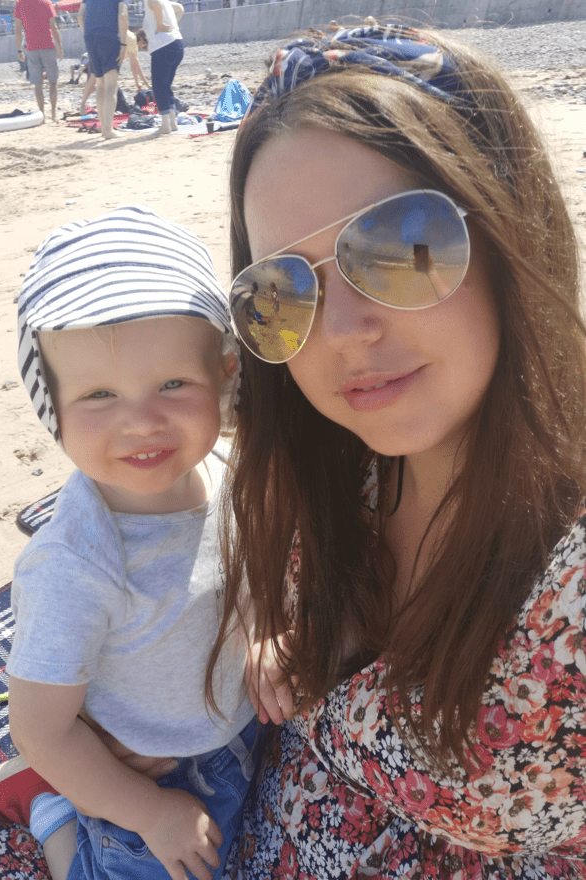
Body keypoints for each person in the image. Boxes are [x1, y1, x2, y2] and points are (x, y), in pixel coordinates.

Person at [208, 20, 586, 879]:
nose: (340, 334)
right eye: (281, 290)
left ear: (506, 228)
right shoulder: (342, 471)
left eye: (400, 246)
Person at [0, 206, 256, 880]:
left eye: (173, 384)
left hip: (232, 735)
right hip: (135, 780)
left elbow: (246, 573)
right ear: (52, 408)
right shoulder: (75, 566)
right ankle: (54, 816)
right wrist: (146, 812)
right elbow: (41, 727)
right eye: (99, 394)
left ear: (223, 373)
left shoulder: (227, 471)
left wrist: (266, 635)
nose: (140, 421)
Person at [77, 0, 128, 139]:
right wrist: (124, 44)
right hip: (109, 37)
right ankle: (108, 130)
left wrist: (88, 34)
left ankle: (104, 127)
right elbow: (123, 14)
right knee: (111, 85)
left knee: (100, 85)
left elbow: (80, 16)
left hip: (90, 37)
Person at [14, 0, 64, 122]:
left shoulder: (20, 3)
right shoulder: (47, 3)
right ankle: (53, 115)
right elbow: (54, 27)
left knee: (38, 84)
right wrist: (60, 47)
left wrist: (19, 50)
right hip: (48, 46)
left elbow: (17, 30)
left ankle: (42, 116)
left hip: (31, 48)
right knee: (53, 82)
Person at [141, 0, 184, 135]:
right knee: (166, 86)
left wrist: (160, 25)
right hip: (176, 43)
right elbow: (180, 8)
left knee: (159, 87)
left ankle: (165, 125)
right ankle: (172, 122)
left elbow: (156, 3)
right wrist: (171, 25)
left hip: (163, 46)